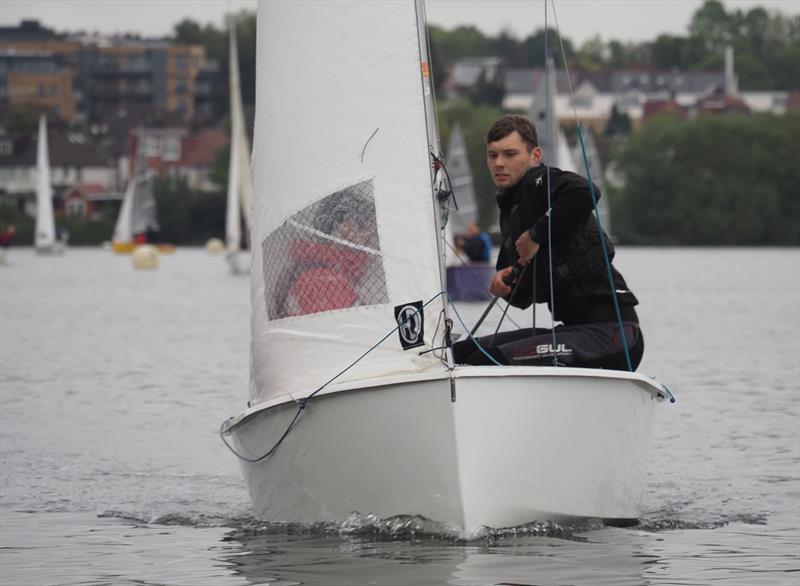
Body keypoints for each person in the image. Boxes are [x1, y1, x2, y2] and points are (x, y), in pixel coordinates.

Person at [453, 114, 643, 371]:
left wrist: (535, 236)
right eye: (492, 155)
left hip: (614, 335)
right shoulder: (512, 211)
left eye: (510, 154)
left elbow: (586, 191)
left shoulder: (538, 181)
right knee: (460, 353)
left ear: (535, 156)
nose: (499, 163)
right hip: (573, 332)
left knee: (486, 360)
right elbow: (522, 298)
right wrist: (503, 283)